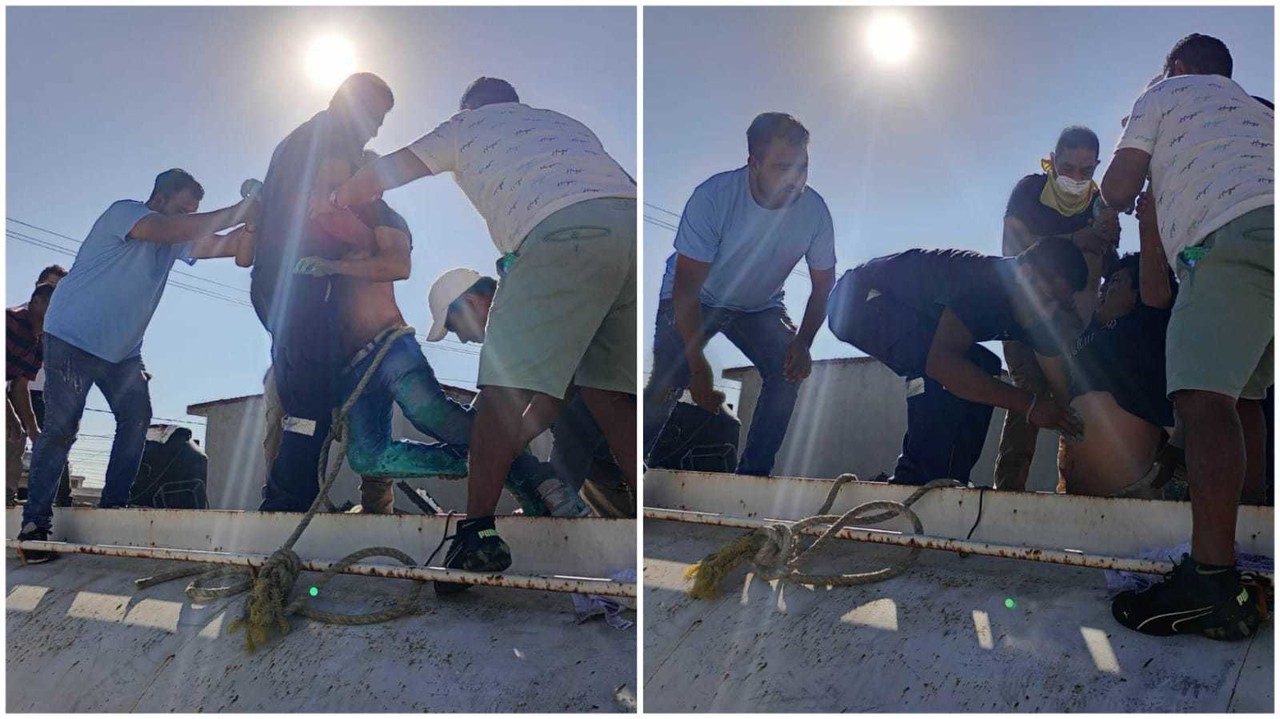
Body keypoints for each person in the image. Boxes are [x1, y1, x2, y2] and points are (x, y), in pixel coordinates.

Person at [329, 77, 637, 590]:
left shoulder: (467, 124)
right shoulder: (565, 122)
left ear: (470, 107)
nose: (463, 336)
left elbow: (394, 167)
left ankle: (475, 537)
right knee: (609, 395)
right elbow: (619, 182)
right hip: (624, 232)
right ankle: (647, 516)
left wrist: (336, 198)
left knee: (498, 394)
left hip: (560, 232)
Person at [1100, 33, 1272, 640]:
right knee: (1244, 396)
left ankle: (1211, 581)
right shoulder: (1258, 109)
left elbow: (1116, 190)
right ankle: (1253, 541)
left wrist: (1129, 187)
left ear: (1175, 67)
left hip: (1229, 241)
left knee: (1202, 401)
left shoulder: (1165, 91)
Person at [15, 168, 257, 563]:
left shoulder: (174, 240)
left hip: (122, 353)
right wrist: (241, 208)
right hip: (72, 338)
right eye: (182, 209)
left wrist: (253, 224)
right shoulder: (126, 214)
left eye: (192, 212)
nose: (186, 218)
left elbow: (229, 250)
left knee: (136, 417)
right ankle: (34, 524)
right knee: (61, 428)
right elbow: (170, 230)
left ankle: (114, 507)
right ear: (159, 200)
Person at [292, 201, 580, 517]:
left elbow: (389, 258)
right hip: (351, 369)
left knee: (428, 412)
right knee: (366, 458)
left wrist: (333, 264)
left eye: (455, 326)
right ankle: (495, 466)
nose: (464, 337)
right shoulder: (507, 337)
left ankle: (534, 481)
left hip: (389, 348)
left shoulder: (363, 232)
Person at [644, 113, 836, 478]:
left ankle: (753, 477)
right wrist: (698, 367)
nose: (796, 180)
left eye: (803, 167)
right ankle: (635, 470)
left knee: (788, 371)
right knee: (673, 375)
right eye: (783, 168)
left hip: (760, 306)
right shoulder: (713, 198)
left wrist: (804, 342)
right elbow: (686, 289)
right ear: (754, 163)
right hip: (697, 297)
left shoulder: (815, 212)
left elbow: (823, 284)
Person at [827, 237, 1087, 486]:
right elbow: (941, 364)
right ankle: (914, 477)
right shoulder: (986, 284)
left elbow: (1061, 385)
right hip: (855, 300)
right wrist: (1028, 405)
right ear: (1027, 274)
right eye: (1048, 298)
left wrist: (1077, 431)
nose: (1051, 312)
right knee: (937, 362)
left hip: (915, 312)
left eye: (1060, 305)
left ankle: (953, 477)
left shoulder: (1041, 311)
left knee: (983, 365)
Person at [250, 72, 395, 513]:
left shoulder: (293, 141)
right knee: (311, 402)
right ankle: (289, 507)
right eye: (375, 117)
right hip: (308, 281)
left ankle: (288, 498)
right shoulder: (335, 139)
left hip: (273, 283)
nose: (375, 129)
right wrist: (375, 242)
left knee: (299, 395)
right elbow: (323, 210)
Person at [427, 267, 635, 518]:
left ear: (472, 302)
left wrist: (517, 439)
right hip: (605, 458)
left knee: (574, 410)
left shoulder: (528, 308)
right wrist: (464, 446)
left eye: (453, 326)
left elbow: (564, 388)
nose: (460, 339)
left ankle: (553, 500)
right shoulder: (514, 324)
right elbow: (492, 404)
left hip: (617, 407)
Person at [995, 127, 1121, 492]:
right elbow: (1011, 248)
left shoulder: (1099, 204)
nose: (1077, 178)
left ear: (1097, 166)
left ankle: (1074, 489)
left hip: (1074, 322)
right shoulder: (1030, 191)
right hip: (1022, 312)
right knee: (1030, 397)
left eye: (1086, 170)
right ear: (1052, 160)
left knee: (1075, 400)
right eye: (1067, 168)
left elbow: (1108, 267)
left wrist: (1109, 237)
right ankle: (1009, 491)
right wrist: (1073, 240)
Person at [1051, 244, 1176, 497]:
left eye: (1117, 281)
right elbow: (1084, 289)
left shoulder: (1147, 324)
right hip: (1076, 489)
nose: (1106, 288)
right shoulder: (1090, 330)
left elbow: (1157, 283)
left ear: (1137, 292)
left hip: (1130, 493)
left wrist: (1147, 222)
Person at [6, 283, 56, 506]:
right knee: (11, 426)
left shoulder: (40, 342)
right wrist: (10, 416)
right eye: (52, 304)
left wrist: (33, 428)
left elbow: (19, 386)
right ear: (37, 301)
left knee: (16, 437)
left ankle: (6, 494)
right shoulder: (11, 321)